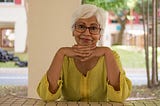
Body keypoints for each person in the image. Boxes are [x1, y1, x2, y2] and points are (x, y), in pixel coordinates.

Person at [37, 4, 132, 102]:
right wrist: (60, 53)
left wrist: (107, 52)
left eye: (93, 28)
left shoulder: (111, 56)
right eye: (81, 26)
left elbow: (119, 97)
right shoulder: (64, 57)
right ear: (73, 31)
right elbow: (47, 96)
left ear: (100, 34)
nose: (86, 33)